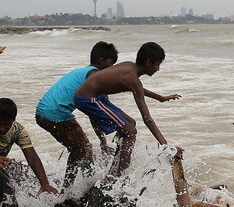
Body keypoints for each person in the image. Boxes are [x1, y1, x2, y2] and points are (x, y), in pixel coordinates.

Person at [73, 41, 181, 178]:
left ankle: (114, 170)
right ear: (148, 62)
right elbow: (147, 119)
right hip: (88, 99)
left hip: (96, 97)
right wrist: (167, 147)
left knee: (130, 123)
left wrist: (160, 98)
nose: (158, 69)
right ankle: (118, 177)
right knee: (130, 131)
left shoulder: (130, 67)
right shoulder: (132, 78)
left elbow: (139, 89)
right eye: (157, 64)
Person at [35, 41, 118, 187]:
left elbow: (94, 112)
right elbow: (95, 114)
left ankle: (76, 186)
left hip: (45, 112)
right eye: (110, 64)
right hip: (55, 113)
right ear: (101, 61)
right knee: (83, 149)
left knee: (80, 149)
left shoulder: (84, 72)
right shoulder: (93, 75)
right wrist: (103, 142)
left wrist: (103, 141)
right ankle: (75, 188)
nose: (111, 69)